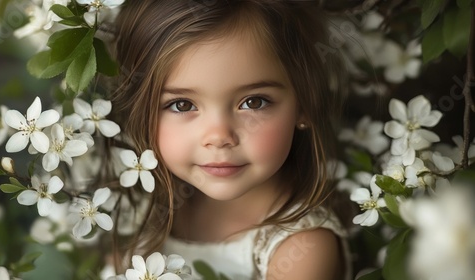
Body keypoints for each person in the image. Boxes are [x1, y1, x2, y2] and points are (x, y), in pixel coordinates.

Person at [107, 0, 351, 279]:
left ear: (305, 102)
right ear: (139, 111)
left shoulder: (301, 251)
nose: (219, 137)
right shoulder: (146, 214)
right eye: (183, 105)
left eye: (254, 102)